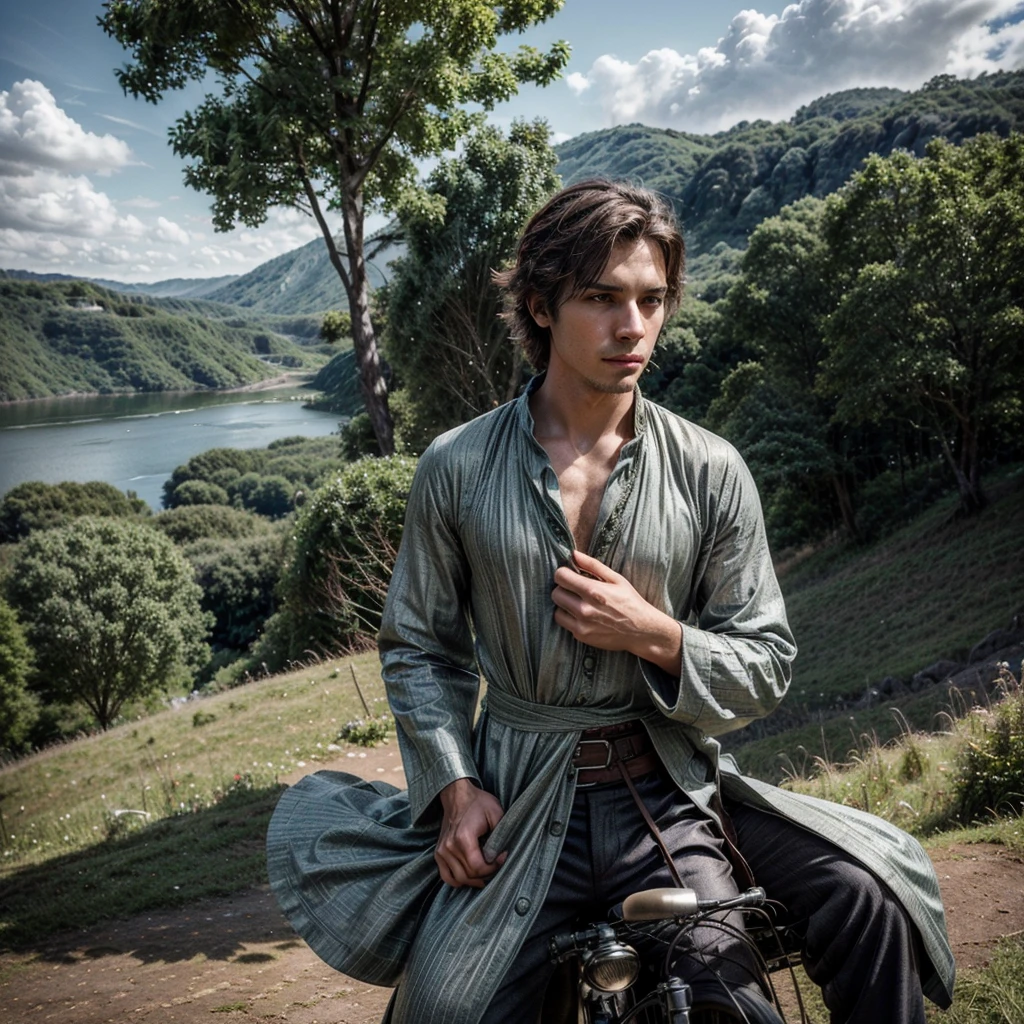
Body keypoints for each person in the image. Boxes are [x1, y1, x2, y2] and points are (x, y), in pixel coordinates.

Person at [267, 180, 954, 1023]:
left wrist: (659, 636)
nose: (633, 327)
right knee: (443, 1009)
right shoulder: (454, 467)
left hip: (666, 789)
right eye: (601, 298)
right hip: (518, 802)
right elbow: (419, 649)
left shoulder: (710, 469)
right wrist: (455, 787)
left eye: (651, 299)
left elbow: (766, 662)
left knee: (792, 960)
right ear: (541, 306)